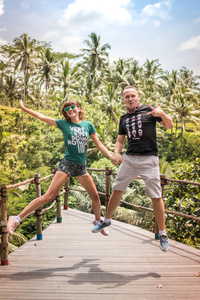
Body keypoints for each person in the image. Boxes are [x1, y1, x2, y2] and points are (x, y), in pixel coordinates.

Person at [7, 99, 117, 236]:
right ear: (65, 113)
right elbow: (42, 116)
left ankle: (98, 222)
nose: (70, 110)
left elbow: (100, 145)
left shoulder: (88, 125)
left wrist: (111, 156)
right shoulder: (64, 124)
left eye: (73, 107)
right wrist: (25, 109)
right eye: (67, 109)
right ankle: (16, 219)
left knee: (95, 197)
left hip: (81, 167)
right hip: (67, 164)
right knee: (49, 196)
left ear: (79, 108)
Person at [92, 85, 174, 252]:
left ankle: (163, 233)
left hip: (149, 159)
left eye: (133, 95)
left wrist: (163, 114)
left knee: (156, 196)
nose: (130, 98)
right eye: (127, 96)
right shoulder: (123, 118)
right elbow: (120, 140)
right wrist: (116, 153)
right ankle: (107, 220)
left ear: (138, 96)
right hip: (129, 158)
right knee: (117, 189)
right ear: (123, 99)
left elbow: (170, 126)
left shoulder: (150, 110)